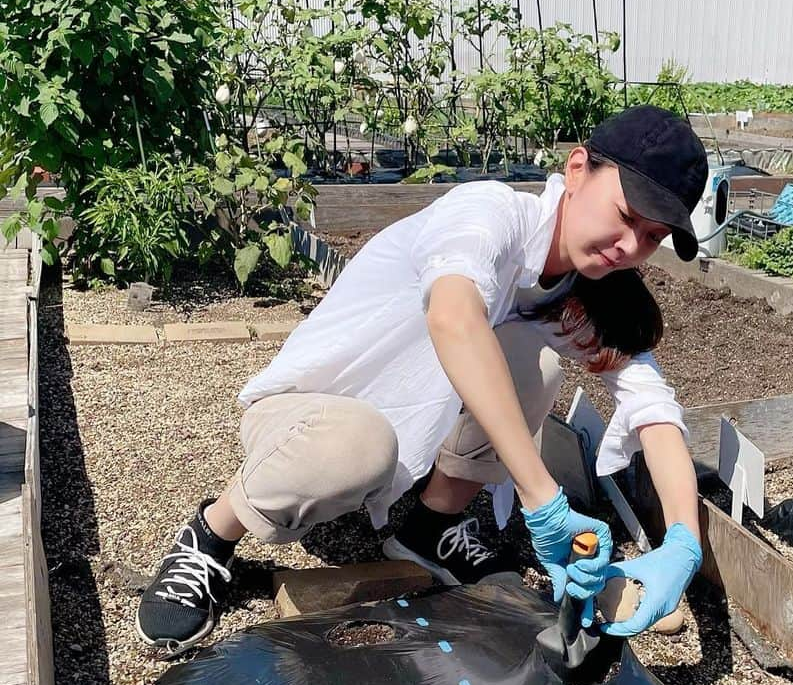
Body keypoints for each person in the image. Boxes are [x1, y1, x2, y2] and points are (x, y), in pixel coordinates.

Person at [135, 104, 707, 655]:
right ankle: (211, 535)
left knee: (538, 361)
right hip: (308, 419)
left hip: (397, 442)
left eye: (653, 237)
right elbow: (453, 317)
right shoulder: (488, 213)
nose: (631, 247)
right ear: (577, 169)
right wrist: (544, 499)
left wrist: (682, 546)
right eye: (627, 216)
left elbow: (652, 407)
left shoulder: (584, 290)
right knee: (359, 445)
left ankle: (428, 530)